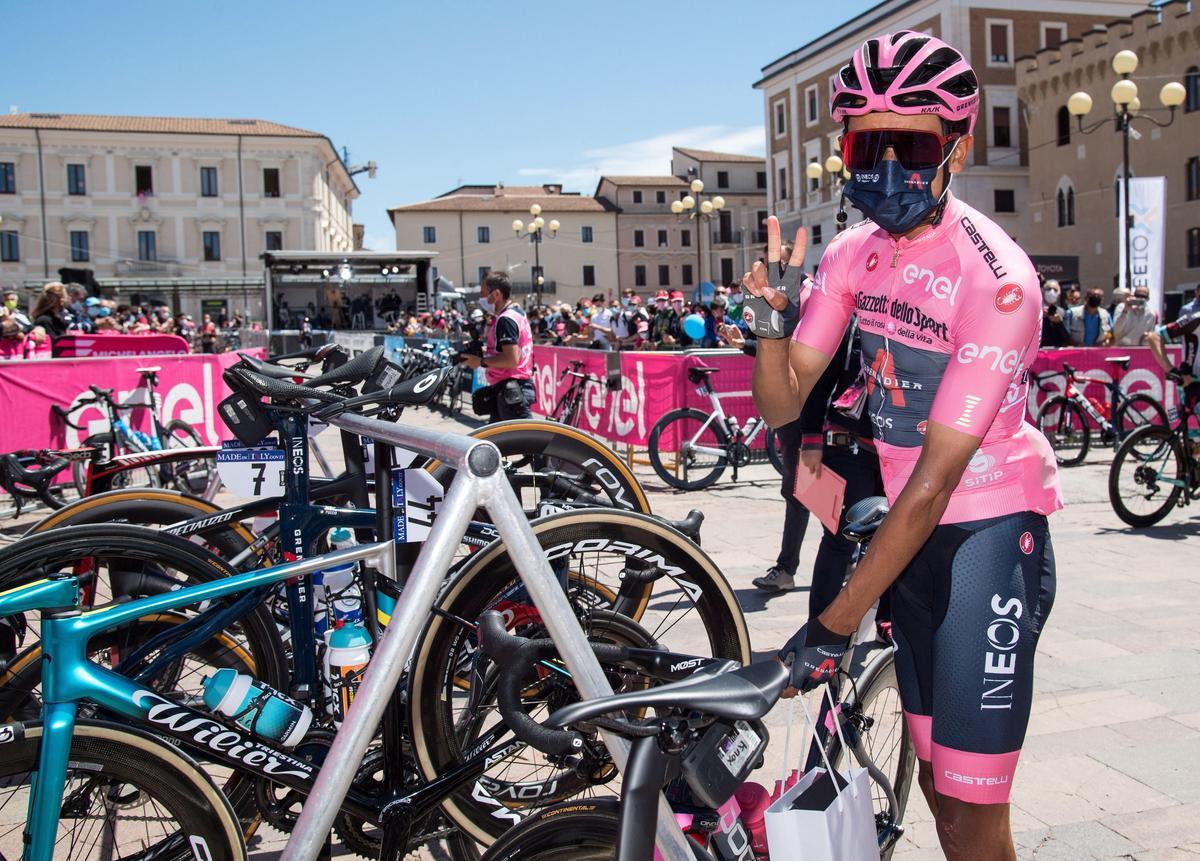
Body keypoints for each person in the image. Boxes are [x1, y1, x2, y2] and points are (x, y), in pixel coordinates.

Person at [743, 30, 1061, 859]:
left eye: (911, 145)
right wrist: (771, 327)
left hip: (983, 538)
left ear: (955, 148)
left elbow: (935, 484)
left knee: (969, 810)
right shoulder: (854, 252)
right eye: (865, 144)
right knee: (932, 786)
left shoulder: (997, 278)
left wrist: (833, 624)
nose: (886, 166)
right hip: (905, 543)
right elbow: (784, 403)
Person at [462, 271, 535, 420]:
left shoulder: (506, 319)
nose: (481, 298)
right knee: (499, 441)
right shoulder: (516, 313)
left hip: (513, 388)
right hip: (511, 387)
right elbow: (514, 350)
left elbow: (511, 360)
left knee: (523, 442)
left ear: (496, 294)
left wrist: (480, 362)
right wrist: (483, 351)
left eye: (483, 293)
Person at [1040, 279, 1070, 348]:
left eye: (1055, 290)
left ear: (1059, 293)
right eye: (1049, 289)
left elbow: (1067, 338)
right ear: (1043, 291)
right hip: (1039, 352)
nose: (1052, 292)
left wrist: (1059, 322)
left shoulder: (1063, 312)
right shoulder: (1037, 312)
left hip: (1056, 353)